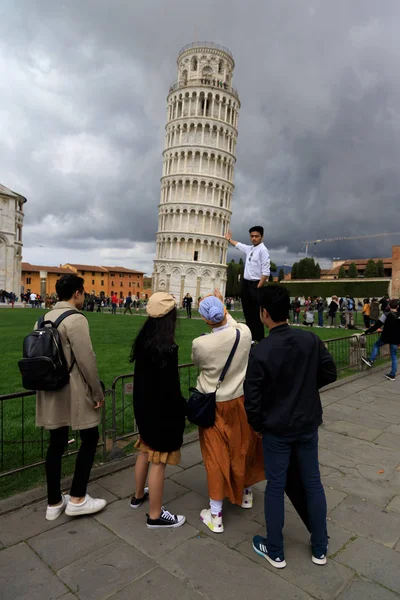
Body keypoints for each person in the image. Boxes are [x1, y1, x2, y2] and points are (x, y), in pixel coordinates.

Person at [244, 285, 337, 569]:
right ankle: (319, 547)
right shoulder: (310, 339)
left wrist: (258, 425)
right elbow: (330, 372)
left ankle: (276, 550)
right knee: (313, 483)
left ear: (264, 314)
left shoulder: (262, 351)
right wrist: (306, 390)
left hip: (277, 428)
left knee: (276, 486)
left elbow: (253, 398)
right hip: (306, 423)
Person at [191, 290, 264, 532]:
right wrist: (222, 306)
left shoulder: (200, 343)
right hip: (240, 399)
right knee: (243, 447)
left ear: (205, 320)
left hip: (214, 404)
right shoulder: (244, 333)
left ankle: (216, 515)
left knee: (215, 455)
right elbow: (231, 322)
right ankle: (246, 494)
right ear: (224, 311)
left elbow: (198, 363)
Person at [35, 274, 106, 521]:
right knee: (89, 437)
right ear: (77, 293)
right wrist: (97, 392)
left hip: (50, 388)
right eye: (83, 292)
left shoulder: (43, 318)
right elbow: (87, 360)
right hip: (73, 389)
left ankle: (54, 502)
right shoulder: (75, 319)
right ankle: (77, 497)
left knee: (56, 442)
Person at [129, 292, 186, 528]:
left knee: (144, 450)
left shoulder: (143, 341)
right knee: (158, 461)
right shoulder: (166, 349)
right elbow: (171, 389)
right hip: (160, 410)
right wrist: (182, 408)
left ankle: (138, 496)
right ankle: (155, 515)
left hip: (143, 405)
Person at [225, 226, 270, 342]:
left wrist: (258, 286)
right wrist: (229, 240)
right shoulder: (250, 249)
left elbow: (266, 272)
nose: (254, 238)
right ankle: (250, 338)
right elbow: (239, 245)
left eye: (257, 236)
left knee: (256, 314)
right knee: (247, 313)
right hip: (245, 284)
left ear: (262, 237)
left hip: (255, 284)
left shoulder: (263, 250)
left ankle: (259, 339)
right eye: (252, 236)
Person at [361, 298, 400, 381]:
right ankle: (392, 374)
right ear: (398, 306)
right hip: (396, 338)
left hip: (386, 336)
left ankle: (371, 360)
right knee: (393, 355)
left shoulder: (386, 315)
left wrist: (367, 331)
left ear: (389, 306)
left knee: (376, 345)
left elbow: (377, 325)